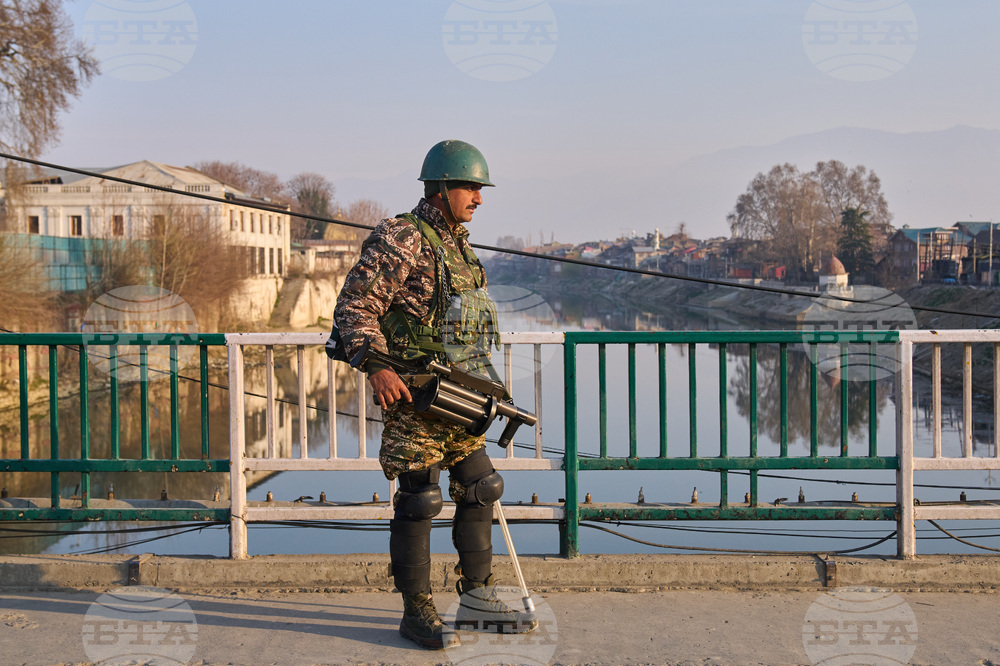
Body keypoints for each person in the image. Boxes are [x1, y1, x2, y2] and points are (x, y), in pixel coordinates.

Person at [333, 140, 537, 649]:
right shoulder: (402, 236)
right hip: (413, 396)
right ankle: (416, 611)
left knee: (481, 488)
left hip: (459, 397)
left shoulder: (459, 245)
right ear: (441, 188)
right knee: (420, 500)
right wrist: (376, 366)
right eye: (470, 187)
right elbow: (354, 309)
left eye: (480, 188)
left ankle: (477, 600)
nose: (479, 198)